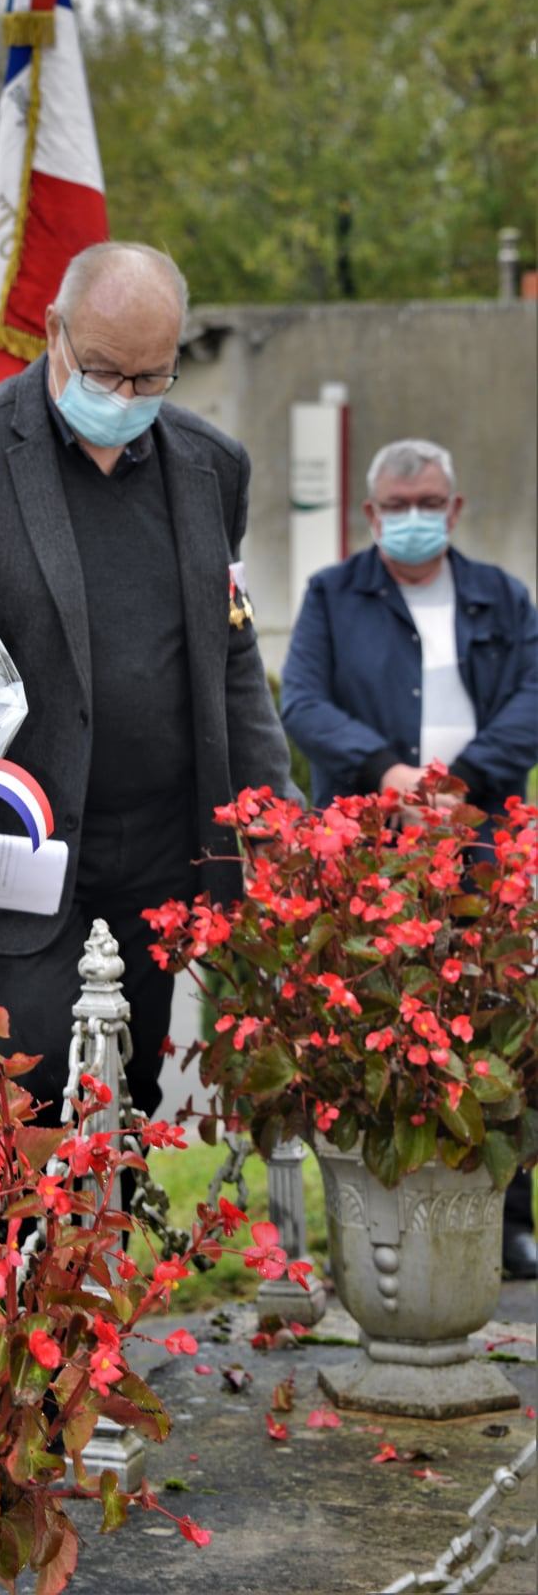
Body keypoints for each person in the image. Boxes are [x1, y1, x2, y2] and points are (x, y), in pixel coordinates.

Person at [0, 240, 294, 1124]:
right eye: (105, 371)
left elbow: (230, 663)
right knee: (10, 1132)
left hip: (154, 869)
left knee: (126, 1116)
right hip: (4, 863)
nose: (125, 398)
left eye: (152, 378)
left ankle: (120, 1269)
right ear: (55, 332)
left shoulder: (212, 466)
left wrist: (274, 816)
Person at [281, 437, 538, 1279]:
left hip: (480, 839)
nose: (414, 519)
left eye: (429, 503)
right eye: (398, 506)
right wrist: (391, 774)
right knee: (369, 1027)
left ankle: (506, 1224)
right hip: (370, 850)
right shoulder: (331, 596)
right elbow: (306, 705)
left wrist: (461, 783)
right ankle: (371, 1216)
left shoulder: (502, 597)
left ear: (455, 509)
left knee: (494, 1019)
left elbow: (533, 699)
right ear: (371, 514)